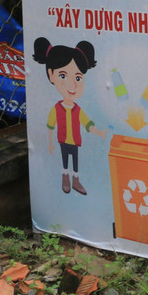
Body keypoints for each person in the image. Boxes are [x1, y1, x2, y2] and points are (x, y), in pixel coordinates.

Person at [33, 38, 107, 195]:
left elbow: (87, 124)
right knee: (65, 159)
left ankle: (76, 180)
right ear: (51, 75)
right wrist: (50, 143)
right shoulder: (56, 108)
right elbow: (50, 125)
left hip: (75, 141)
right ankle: (65, 177)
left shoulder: (78, 110)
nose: (72, 85)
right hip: (62, 140)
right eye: (62, 76)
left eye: (78, 78)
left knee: (75, 160)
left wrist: (99, 132)